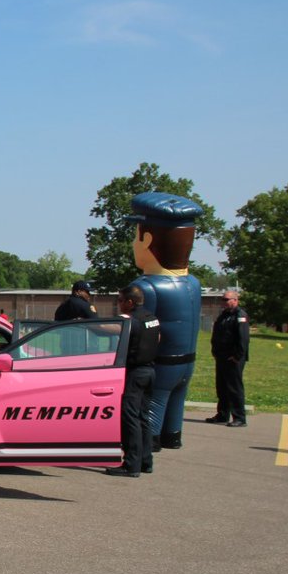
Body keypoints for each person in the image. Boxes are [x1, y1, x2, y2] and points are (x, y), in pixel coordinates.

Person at [126, 193, 204, 451]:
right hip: (187, 359)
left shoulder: (146, 287)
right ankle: (173, 434)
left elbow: (140, 327)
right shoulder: (193, 284)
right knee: (177, 398)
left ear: (147, 239)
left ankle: (151, 440)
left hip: (160, 363)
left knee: (154, 401)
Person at [105, 286, 160, 478]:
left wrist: (85, 323)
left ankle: (131, 464)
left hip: (136, 373)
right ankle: (146, 461)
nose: (118, 304)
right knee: (143, 417)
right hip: (150, 371)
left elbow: (108, 329)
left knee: (130, 418)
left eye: (120, 300)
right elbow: (158, 338)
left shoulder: (130, 318)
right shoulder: (151, 318)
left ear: (130, 302)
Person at [207, 290, 250, 428]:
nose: (223, 302)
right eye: (222, 300)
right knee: (222, 387)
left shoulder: (240, 316)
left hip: (233, 358)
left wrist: (238, 356)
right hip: (221, 356)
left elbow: (243, 339)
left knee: (234, 388)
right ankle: (222, 414)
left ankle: (239, 417)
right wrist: (214, 351)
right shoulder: (224, 315)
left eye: (226, 300)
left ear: (235, 300)